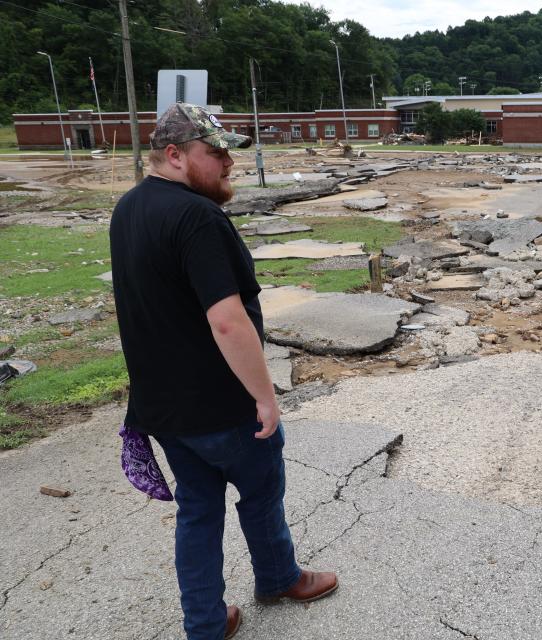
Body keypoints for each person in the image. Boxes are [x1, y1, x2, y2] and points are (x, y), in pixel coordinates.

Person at [110, 103, 338, 640]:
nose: (228, 162)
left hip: (163, 406)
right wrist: (264, 397)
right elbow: (228, 322)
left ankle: (206, 624)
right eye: (214, 153)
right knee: (260, 494)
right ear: (174, 155)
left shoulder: (129, 208)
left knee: (198, 512)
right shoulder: (197, 217)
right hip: (219, 404)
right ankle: (280, 577)